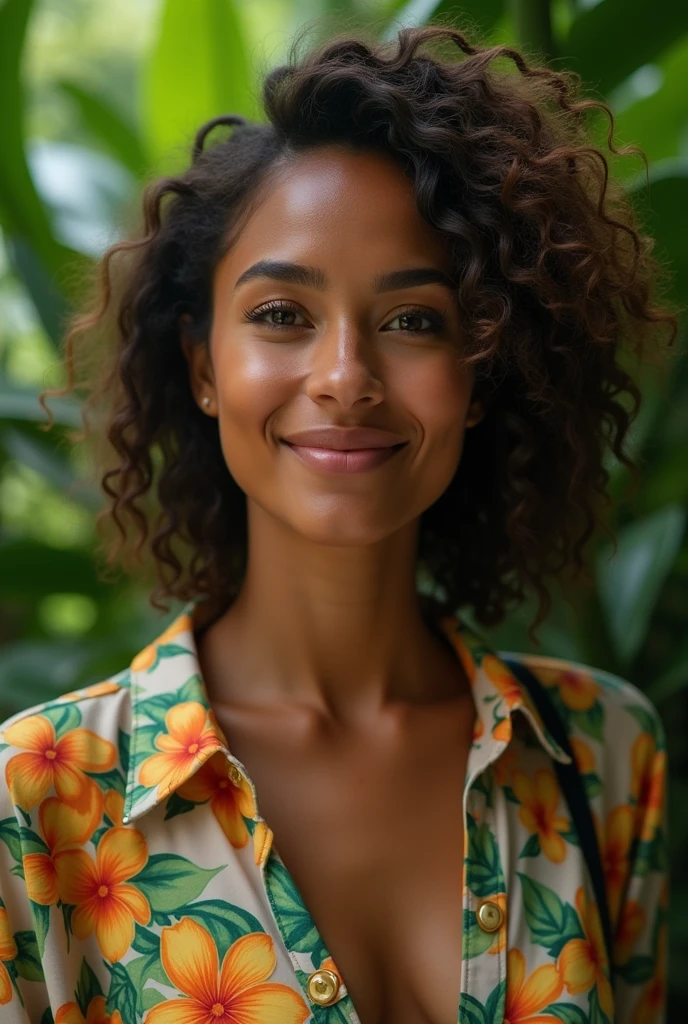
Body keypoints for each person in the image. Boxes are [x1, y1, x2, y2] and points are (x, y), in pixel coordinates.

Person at [0, 22, 675, 1024]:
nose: (345, 377)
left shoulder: (599, 754)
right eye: (281, 314)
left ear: (480, 374)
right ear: (201, 367)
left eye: (413, 320)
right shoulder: (40, 802)